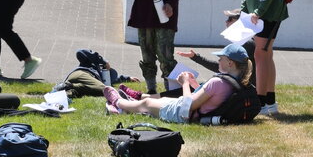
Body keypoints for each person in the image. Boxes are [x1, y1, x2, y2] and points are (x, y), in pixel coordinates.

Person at [104, 42, 256, 125]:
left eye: (221, 58)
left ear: (230, 63)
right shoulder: (239, 83)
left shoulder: (217, 82)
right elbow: (211, 100)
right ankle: (127, 107)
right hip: (201, 114)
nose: (218, 61)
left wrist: (184, 83)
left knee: (148, 102)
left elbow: (186, 108)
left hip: (185, 115)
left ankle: (119, 102)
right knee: (162, 100)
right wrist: (196, 86)